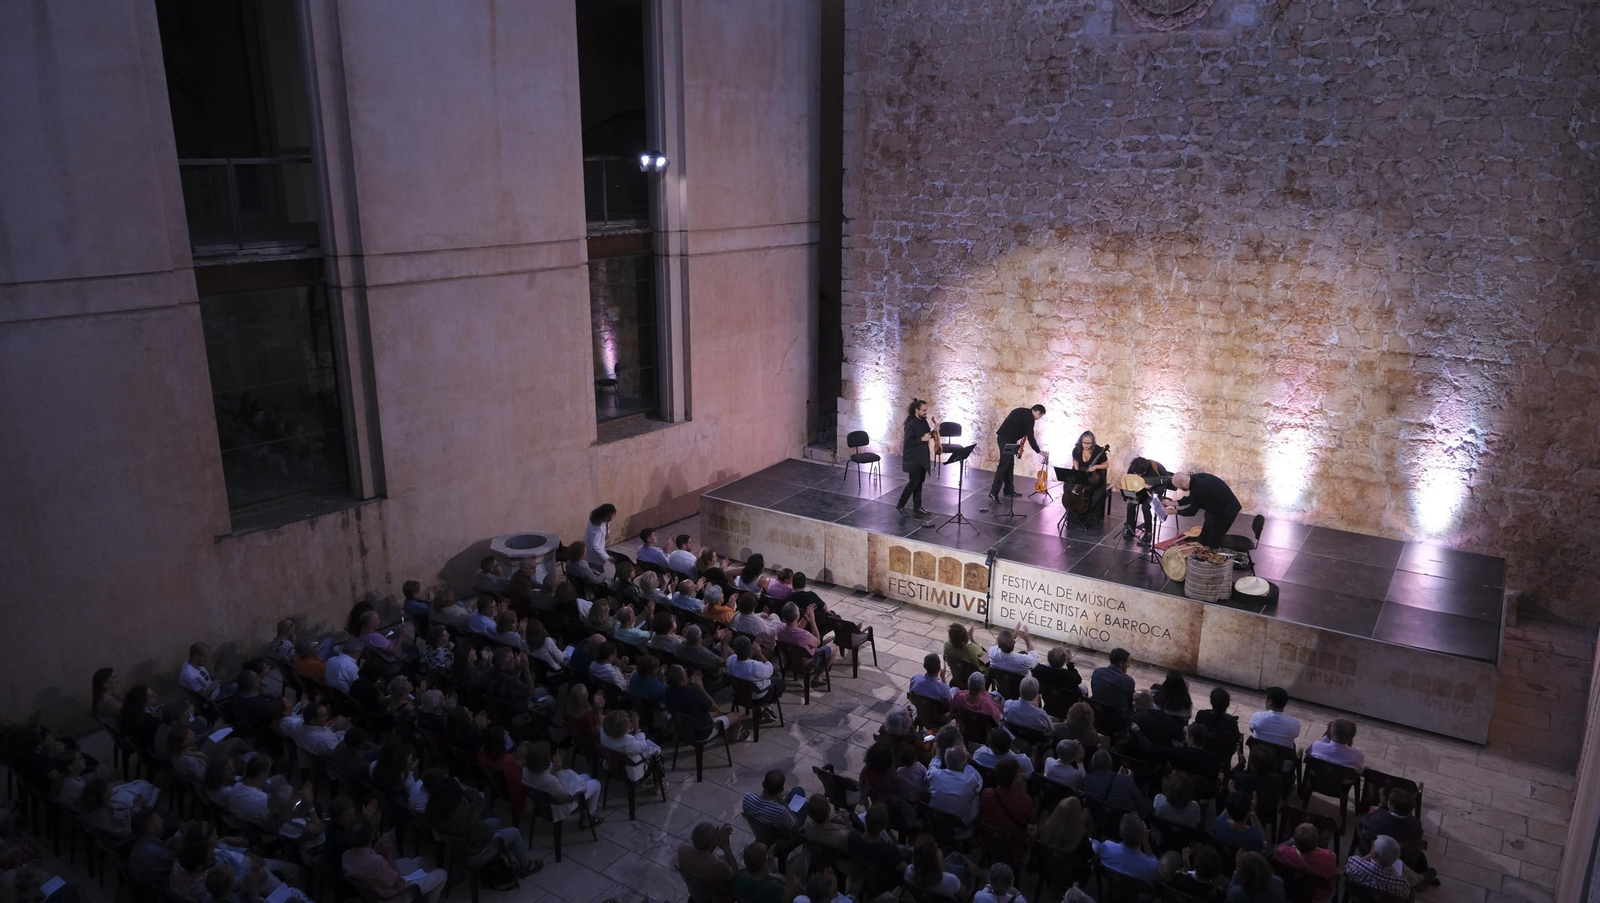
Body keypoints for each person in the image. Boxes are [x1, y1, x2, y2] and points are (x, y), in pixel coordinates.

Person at [422, 768, 542, 876]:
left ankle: (505, 850)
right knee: (515, 832)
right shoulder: (459, 811)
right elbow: (481, 801)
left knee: (495, 821)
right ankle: (526, 867)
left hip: (461, 846)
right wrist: (462, 788)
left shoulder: (434, 809)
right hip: (476, 851)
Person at [342, 817, 448, 903]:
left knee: (420, 860)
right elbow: (398, 884)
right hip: (397, 896)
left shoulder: (346, 856)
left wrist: (378, 850)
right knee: (442, 874)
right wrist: (388, 854)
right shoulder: (378, 862)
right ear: (371, 837)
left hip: (374, 892)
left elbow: (367, 861)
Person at [519, 740, 603, 827]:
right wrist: (559, 770)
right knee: (596, 784)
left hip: (542, 802)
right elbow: (565, 795)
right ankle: (588, 818)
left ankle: (585, 813)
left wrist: (554, 769)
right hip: (558, 808)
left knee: (586, 776)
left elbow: (544, 777)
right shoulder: (550, 781)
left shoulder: (525, 771)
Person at [663, 664, 748, 742]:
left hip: (685, 730)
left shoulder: (668, 692)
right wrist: (701, 688)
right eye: (684, 671)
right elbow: (714, 707)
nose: (686, 671)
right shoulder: (693, 692)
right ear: (683, 678)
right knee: (738, 715)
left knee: (717, 713)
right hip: (703, 731)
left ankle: (726, 724)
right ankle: (735, 737)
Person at [986, 404, 1047, 504]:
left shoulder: (1022, 411)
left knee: (1010, 464)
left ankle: (1008, 490)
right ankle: (993, 492)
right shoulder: (1029, 417)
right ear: (1037, 412)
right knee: (1004, 465)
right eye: (1040, 416)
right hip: (1006, 439)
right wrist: (1038, 451)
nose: (1039, 418)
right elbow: (1030, 436)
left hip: (1009, 439)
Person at [1164, 472, 1242, 550]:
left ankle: (1211, 558)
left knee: (1213, 540)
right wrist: (1175, 503)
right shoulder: (1195, 478)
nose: (1179, 489)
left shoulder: (1197, 489)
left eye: (1178, 487)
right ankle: (1201, 554)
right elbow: (1192, 497)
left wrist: (1174, 511)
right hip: (1214, 509)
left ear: (1183, 485)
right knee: (1203, 537)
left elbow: (1191, 512)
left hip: (1226, 511)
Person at [978, 759, 1035, 857]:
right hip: (1013, 848)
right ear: (1015, 779)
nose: (1021, 775)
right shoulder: (1025, 800)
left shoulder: (985, 793)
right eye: (1019, 774)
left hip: (988, 839)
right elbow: (1033, 821)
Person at [1274, 823, 1339, 903]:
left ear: (1296, 841)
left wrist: (1292, 841)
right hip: (1316, 896)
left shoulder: (1284, 853)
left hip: (1289, 889)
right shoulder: (1329, 857)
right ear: (1317, 840)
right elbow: (1332, 877)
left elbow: (1276, 849)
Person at [1092, 813, 1164, 884]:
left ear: (1121, 833)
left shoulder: (1106, 847)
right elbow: (1158, 877)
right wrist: (1146, 843)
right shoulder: (1151, 866)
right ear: (1142, 835)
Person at [679, 822, 739, 903]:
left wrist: (715, 839)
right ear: (713, 841)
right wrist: (726, 847)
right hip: (714, 898)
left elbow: (703, 853)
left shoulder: (682, 848)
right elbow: (735, 876)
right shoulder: (718, 865)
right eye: (715, 831)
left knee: (724, 858)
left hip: (696, 894)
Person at [898, 398, 937, 517]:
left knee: (919, 482)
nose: (926, 412)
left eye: (926, 410)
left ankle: (917, 506)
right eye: (924, 410)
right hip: (914, 458)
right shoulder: (911, 424)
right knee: (913, 482)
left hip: (922, 457)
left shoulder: (923, 421)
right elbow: (908, 442)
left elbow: (927, 435)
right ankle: (900, 504)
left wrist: (934, 432)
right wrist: (921, 439)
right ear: (917, 410)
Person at [600, 709, 661, 783]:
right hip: (628, 772)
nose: (629, 720)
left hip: (611, 765)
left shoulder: (602, 730)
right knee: (657, 750)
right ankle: (659, 782)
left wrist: (626, 729)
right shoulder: (627, 741)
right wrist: (637, 728)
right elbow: (643, 746)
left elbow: (617, 736)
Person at [904, 834, 972, 899]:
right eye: (936, 846)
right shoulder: (951, 880)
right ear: (934, 857)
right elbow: (964, 895)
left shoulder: (909, 872)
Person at [1342, 836, 1413, 898]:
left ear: (1374, 853)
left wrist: (1371, 854)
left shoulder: (1355, 864)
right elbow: (1406, 897)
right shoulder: (1402, 884)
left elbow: (1347, 869)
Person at [928, 746, 982, 826]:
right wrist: (965, 763)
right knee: (976, 794)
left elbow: (932, 767)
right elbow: (979, 781)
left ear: (946, 761)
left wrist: (938, 756)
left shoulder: (934, 775)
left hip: (935, 823)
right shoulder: (969, 780)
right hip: (962, 831)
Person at [1081, 749, 1148, 815]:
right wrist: (1127, 780)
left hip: (1100, 819)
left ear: (1092, 764)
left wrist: (1119, 778)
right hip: (1125, 820)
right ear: (1111, 763)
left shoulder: (1086, 780)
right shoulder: (1127, 781)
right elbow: (1141, 807)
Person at [776, 601, 836, 673]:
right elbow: (817, 642)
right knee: (834, 647)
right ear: (796, 616)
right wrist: (812, 622)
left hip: (789, 659)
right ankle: (818, 678)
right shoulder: (804, 635)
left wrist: (806, 617)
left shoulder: (779, 627)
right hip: (806, 663)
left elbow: (794, 629)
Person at [1123, 456, 1171, 539]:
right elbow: (1129, 479)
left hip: (1155, 489)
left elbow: (1167, 479)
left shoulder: (1156, 466)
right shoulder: (1133, 467)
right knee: (1131, 504)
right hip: (1139, 489)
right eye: (1137, 473)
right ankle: (1130, 528)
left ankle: (1148, 531)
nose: (1138, 475)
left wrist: (1153, 484)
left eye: (1140, 473)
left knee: (1145, 507)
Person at [1070, 431, 1111, 527]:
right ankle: (1073, 513)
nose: (1086, 445)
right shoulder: (1077, 449)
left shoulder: (1098, 451)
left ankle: (1092, 518)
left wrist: (1096, 467)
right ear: (1081, 441)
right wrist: (1077, 471)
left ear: (1093, 442)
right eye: (1084, 442)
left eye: (1088, 443)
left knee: (1098, 494)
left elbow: (1106, 465)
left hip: (1095, 476)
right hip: (1081, 472)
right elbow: (1075, 460)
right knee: (1068, 487)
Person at [1091, 648, 1136, 714]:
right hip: (1118, 718)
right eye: (1127, 663)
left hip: (1098, 713)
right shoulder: (1128, 680)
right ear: (1121, 663)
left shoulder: (1097, 672)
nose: (1128, 666)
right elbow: (1131, 702)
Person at [585, 503, 617, 574]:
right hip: (593, 554)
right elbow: (595, 546)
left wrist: (607, 533)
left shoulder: (601, 520)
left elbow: (606, 525)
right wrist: (607, 557)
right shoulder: (597, 528)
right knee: (597, 572)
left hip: (598, 550)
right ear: (607, 515)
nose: (613, 517)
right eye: (612, 515)